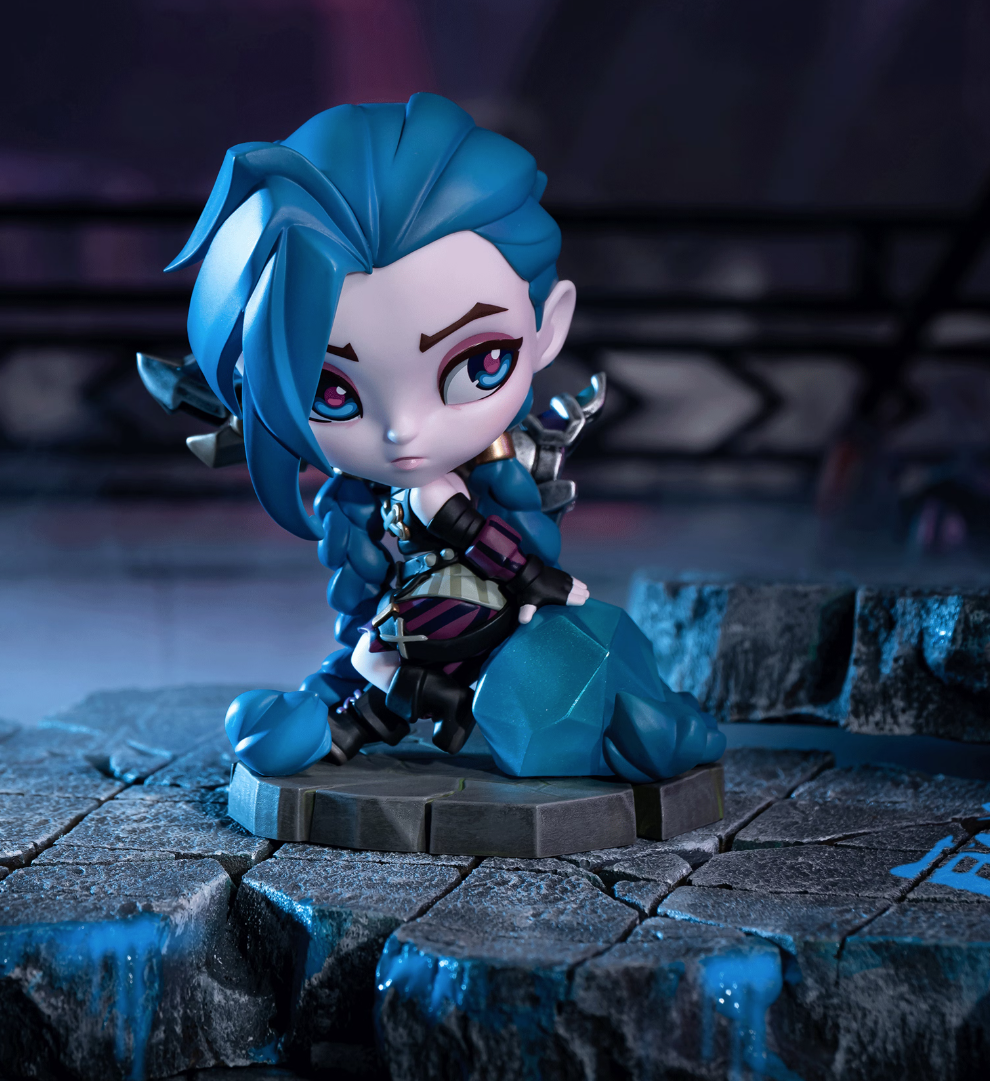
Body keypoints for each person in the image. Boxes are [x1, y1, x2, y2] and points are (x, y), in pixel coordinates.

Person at [169, 93, 723, 781]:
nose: (403, 429)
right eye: (331, 392)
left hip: (483, 614)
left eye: (477, 364)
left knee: (404, 658)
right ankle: (399, 717)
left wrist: (540, 583)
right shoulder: (380, 507)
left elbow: (489, 545)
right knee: (374, 659)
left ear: (547, 327)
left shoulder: (448, 492)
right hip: (431, 614)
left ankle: (481, 714)